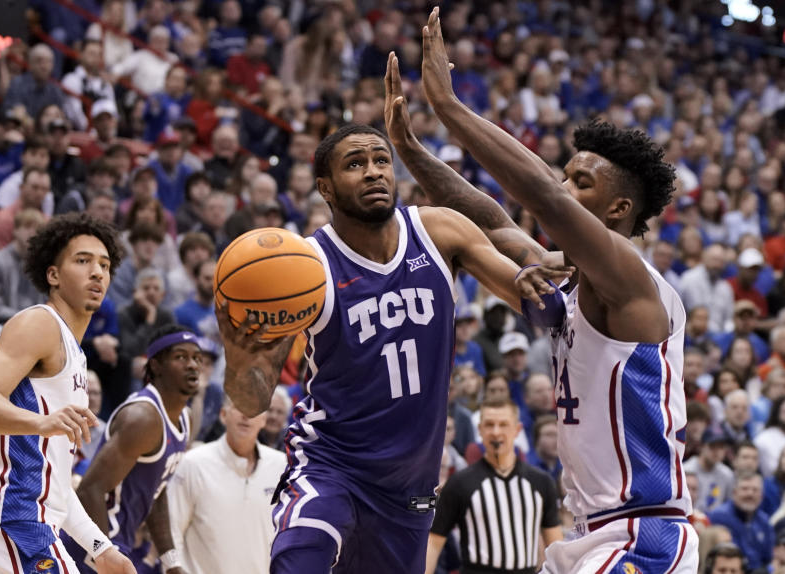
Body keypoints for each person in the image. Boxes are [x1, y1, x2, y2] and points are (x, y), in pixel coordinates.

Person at [408, 11, 698, 570]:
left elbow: (544, 199)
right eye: (565, 176)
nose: (565, 186)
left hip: (643, 535)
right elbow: (491, 222)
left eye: (580, 182)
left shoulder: (633, 281)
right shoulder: (567, 277)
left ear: (618, 209)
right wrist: (412, 148)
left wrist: (450, 108)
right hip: (586, 533)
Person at [219, 122, 560, 573]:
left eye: (381, 160)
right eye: (355, 164)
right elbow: (253, 399)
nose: (373, 172)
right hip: (331, 465)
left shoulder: (437, 229)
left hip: (409, 486)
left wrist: (538, 283)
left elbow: (538, 304)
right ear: (325, 187)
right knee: (300, 557)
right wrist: (238, 361)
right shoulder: (304, 267)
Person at [0, 213, 135, 574]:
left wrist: (99, 548)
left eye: (104, 264)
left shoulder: (76, 359)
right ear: (53, 275)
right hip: (12, 524)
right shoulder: (39, 323)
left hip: (21, 527)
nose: (97, 272)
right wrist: (42, 421)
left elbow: (56, 482)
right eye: (83, 261)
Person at [62, 325, 199, 572]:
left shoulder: (185, 418)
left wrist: (171, 563)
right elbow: (89, 489)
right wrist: (102, 556)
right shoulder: (143, 417)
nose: (192, 365)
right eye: (181, 357)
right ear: (156, 365)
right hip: (89, 549)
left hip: (115, 547)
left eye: (196, 358)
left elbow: (156, 491)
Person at [425, 398, 562, 574]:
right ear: (480, 430)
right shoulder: (460, 483)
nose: (496, 432)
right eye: (489, 425)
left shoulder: (541, 483)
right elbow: (434, 545)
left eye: (503, 424)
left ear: (517, 430)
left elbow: (555, 548)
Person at [169, 395, 287, 574]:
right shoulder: (193, 463)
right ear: (224, 415)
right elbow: (171, 531)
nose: (246, 415)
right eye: (239, 406)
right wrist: (173, 568)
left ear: (263, 419)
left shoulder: (281, 466)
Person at [0, 208, 47, 324]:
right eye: (27, 227)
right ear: (15, 230)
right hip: (2, 325)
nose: (32, 233)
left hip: (35, 326)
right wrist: (24, 317)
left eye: (38, 230)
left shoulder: (42, 265)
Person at [707, 472, 773, 570]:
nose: (750, 494)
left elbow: (767, 557)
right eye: (745, 489)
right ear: (734, 492)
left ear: (761, 496)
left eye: (755, 490)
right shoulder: (718, 516)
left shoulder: (764, 521)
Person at [683, 427, 735, 513]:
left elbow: (729, 506)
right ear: (701, 446)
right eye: (713, 446)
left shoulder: (727, 474)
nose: (717, 452)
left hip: (716, 522)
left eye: (721, 447)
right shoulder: (686, 470)